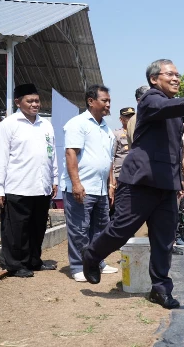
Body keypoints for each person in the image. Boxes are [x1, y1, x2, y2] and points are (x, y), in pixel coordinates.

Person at [82, 59, 184, 309]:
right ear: (154, 79)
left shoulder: (171, 111)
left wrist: (181, 179)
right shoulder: (151, 100)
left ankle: (160, 289)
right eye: (170, 74)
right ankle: (92, 254)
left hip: (166, 185)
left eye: (178, 74)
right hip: (141, 181)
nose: (176, 78)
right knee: (122, 229)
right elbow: (165, 107)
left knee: (164, 239)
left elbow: (174, 149)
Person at [0, 83, 59, 277]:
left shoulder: (46, 125)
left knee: (37, 227)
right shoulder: (9, 124)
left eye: (37, 100)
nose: (35, 104)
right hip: (17, 186)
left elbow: (51, 153)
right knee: (16, 230)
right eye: (30, 101)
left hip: (41, 185)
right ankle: (16, 264)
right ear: (18, 102)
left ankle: (34, 260)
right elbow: (1, 158)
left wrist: (54, 178)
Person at [61, 84, 118, 282]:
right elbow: (71, 154)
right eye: (105, 100)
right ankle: (77, 266)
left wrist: (111, 185)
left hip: (101, 189)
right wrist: (76, 184)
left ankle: (97, 262)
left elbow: (108, 160)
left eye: (109, 100)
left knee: (101, 228)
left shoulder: (107, 129)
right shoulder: (78, 124)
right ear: (91, 101)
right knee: (79, 228)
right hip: (81, 187)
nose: (108, 104)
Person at [110, 107, 135, 217]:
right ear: (121, 119)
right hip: (120, 175)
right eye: (127, 116)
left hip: (135, 175)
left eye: (132, 116)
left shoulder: (138, 133)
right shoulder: (116, 134)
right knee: (119, 205)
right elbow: (111, 156)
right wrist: (112, 178)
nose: (130, 119)